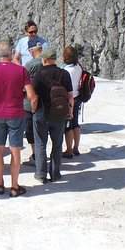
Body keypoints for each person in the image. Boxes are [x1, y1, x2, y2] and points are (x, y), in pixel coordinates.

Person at [0, 41, 37, 197]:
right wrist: (21, 96)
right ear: (11, 53)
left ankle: (0, 183)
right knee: (15, 150)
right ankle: (14, 186)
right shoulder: (21, 70)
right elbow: (31, 96)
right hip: (16, 113)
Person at [31, 47, 73, 183]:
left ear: (44, 59)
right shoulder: (64, 74)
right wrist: (70, 112)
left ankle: (41, 175)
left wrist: (33, 111)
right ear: (54, 59)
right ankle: (55, 174)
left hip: (42, 113)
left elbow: (34, 96)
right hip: (60, 113)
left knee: (40, 143)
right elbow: (70, 96)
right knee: (57, 144)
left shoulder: (39, 74)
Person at [22, 38, 44, 166]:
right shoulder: (47, 62)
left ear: (31, 51)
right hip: (45, 102)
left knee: (30, 130)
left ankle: (35, 155)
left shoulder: (29, 65)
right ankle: (43, 153)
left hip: (29, 103)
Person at [62, 46, 84, 158]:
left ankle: (69, 150)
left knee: (68, 126)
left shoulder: (66, 71)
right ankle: (76, 148)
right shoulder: (79, 67)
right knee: (75, 123)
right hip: (77, 97)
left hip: (68, 98)